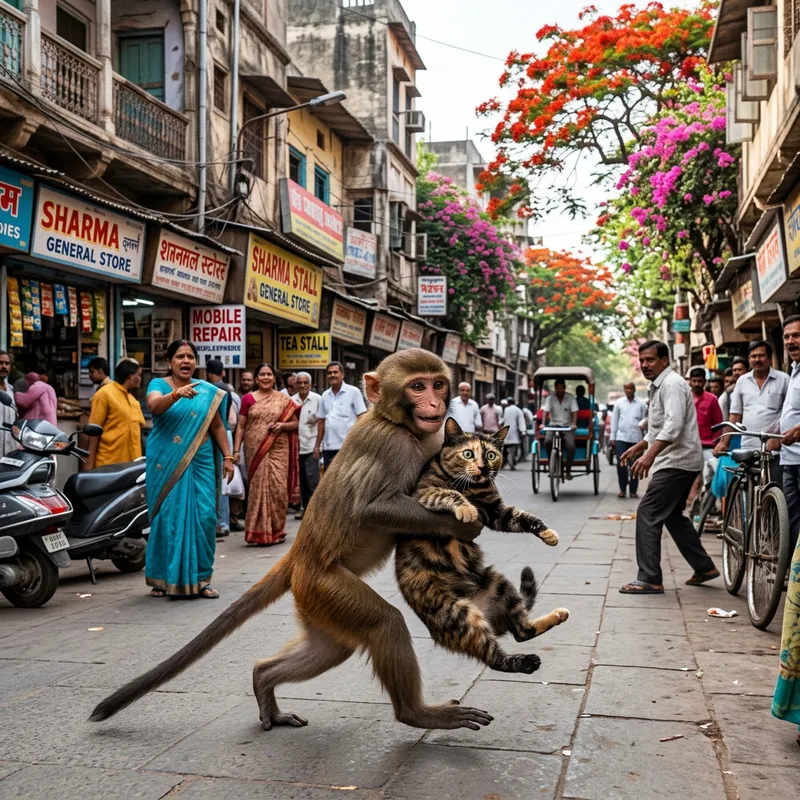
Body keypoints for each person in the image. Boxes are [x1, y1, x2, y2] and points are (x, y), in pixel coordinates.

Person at [619, 340, 719, 594]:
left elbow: (673, 427)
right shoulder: (658, 386)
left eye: (650, 360)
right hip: (679, 460)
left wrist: (650, 456)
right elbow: (658, 428)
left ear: (664, 361)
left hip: (677, 461)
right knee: (672, 515)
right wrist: (640, 447)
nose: (645, 365)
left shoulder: (672, 384)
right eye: (642, 360)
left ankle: (650, 578)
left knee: (648, 512)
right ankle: (704, 567)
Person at [144, 340, 234, 599]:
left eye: (190, 357)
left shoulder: (207, 391)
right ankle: (163, 579)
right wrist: (176, 395)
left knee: (205, 517)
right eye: (180, 356)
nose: (186, 361)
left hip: (202, 460)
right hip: (167, 462)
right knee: (168, 518)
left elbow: (218, 426)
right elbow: (153, 406)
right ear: (169, 362)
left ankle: (201, 579)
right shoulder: (158, 385)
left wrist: (228, 456)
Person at [234, 363, 300, 546]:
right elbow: (241, 426)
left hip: (278, 448)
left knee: (278, 489)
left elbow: (295, 423)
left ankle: (276, 531)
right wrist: (235, 451)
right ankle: (258, 533)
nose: (265, 377)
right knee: (257, 490)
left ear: (274, 378)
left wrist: (282, 426)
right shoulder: (248, 399)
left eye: (269, 374)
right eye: (262, 374)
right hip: (255, 450)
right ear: (256, 379)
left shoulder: (283, 400)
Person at [773, 316, 800, 744]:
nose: (792, 341)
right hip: (790, 460)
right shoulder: (792, 372)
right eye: (789, 336)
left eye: (798, 336)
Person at [86, 358, 145, 470]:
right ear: (130, 376)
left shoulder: (134, 401)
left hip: (131, 466)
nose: (140, 379)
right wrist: (89, 465)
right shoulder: (104, 394)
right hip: (109, 464)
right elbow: (93, 433)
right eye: (138, 375)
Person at [206, 359, 239, 537]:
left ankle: (221, 522)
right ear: (223, 372)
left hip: (219, 434)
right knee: (222, 480)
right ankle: (222, 521)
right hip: (225, 433)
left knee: (220, 480)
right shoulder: (228, 389)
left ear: (208, 373)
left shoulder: (214, 389)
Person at [314, 361, 367, 468]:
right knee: (330, 476)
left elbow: (362, 418)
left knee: (347, 477)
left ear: (342, 374)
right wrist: (317, 445)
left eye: (335, 372)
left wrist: (362, 443)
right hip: (328, 447)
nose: (332, 375)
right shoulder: (324, 395)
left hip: (348, 446)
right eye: (329, 373)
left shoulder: (353, 392)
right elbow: (321, 422)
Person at [291, 371, 321, 521]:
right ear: (295, 385)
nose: (302, 385)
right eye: (299, 383)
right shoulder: (291, 400)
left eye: (305, 383)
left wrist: (318, 446)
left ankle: (316, 511)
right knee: (301, 481)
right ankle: (305, 509)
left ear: (310, 384)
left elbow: (322, 424)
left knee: (312, 479)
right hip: (297, 447)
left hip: (312, 446)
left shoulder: (317, 399)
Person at [610, 382, 647, 499]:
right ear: (624, 389)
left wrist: (645, 439)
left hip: (636, 439)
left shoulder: (641, 403)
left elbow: (645, 421)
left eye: (630, 388)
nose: (628, 390)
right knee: (621, 463)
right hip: (621, 437)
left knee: (635, 465)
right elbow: (614, 420)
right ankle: (622, 488)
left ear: (634, 389)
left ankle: (633, 490)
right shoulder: (619, 403)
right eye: (626, 388)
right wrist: (612, 437)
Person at [542, 378, 578, 479]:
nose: (559, 390)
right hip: (553, 425)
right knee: (547, 442)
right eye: (557, 388)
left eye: (561, 388)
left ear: (564, 388)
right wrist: (543, 424)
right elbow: (545, 412)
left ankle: (568, 470)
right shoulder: (550, 398)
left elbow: (575, 412)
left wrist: (574, 424)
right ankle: (551, 464)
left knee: (571, 446)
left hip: (567, 426)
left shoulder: (570, 398)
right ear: (555, 388)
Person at [500, 396, 526, 469]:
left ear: (508, 403)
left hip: (506, 432)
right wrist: (523, 431)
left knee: (505, 449)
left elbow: (503, 420)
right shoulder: (518, 410)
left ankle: (504, 463)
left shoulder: (506, 410)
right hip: (514, 433)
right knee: (513, 450)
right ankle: (511, 462)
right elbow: (521, 421)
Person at [0, 350, 17, 455]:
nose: (4, 366)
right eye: (0, 363)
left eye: (7, 363)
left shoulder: (12, 391)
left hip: (10, 450)